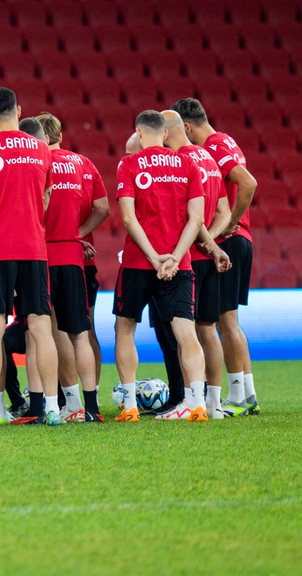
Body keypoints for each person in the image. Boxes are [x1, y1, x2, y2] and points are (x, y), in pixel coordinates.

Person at [0, 88, 62, 426]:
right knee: (40, 326)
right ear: (19, 110)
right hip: (34, 248)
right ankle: (51, 407)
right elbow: (46, 199)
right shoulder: (40, 148)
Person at [113, 110, 209, 423]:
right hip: (179, 264)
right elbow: (196, 219)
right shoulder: (188, 163)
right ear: (165, 134)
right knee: (186, 332)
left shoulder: (128, 164)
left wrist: (154, 257)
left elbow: (128, 218)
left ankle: (129, 406)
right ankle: (197, 404)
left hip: (138, 262)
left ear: (139, 134)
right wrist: (173, 257)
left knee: (125, 329)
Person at [171, 97, 260, 416]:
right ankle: (247, 394)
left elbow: (248, 183)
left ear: (187, 126)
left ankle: (236, 395)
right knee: (228, 322)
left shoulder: (214, 146)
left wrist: (231, 222)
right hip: (237, 239)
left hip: (230, 239)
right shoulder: (226, 141)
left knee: (224, 321)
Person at [35, 113, 109, 423]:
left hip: (43, 257)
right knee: (82, 331)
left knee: (52, 333)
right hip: (78, 259)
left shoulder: (37, 164)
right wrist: (79, 233)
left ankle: (71, 403)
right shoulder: (83, 164)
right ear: (60, 136)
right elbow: (103, 208)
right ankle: (92, 407)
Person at [162, 110, 234, 419]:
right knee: (209, 329)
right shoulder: (209, 159)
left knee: (185, 333)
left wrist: (204, 240)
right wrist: (213, 242)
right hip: (206, 255)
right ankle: (215, 404)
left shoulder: (181, 162)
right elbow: (224, 211)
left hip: (188, 257)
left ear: (165, 133)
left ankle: (192, 401)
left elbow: (192, 216)